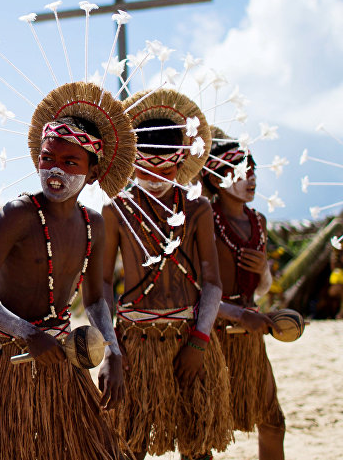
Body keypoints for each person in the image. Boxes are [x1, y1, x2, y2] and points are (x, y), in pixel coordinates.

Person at [0, 81, 133, 460]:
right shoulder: (19, 214)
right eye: (48, 159)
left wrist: (113, 351)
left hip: (63, 360)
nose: (55, 171)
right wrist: (28, 333)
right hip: (8, 357)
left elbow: (95, 299)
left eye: (70, 162)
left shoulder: (94, 223)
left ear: (92, 173)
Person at [103, 88, 233, 460]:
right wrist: (113, 350)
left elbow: (212, 282)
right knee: (129, 444)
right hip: (135, 344)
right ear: (131, 163)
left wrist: (199, 341)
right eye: (145, 168)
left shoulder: (197, 209)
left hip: (190, 339)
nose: (156, 178)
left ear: (181, 163)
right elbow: (99, 289)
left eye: (167, 169)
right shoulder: (116, 212)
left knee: (198, 445)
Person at [203, 132, 284, 459]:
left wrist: (263, 270)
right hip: (210, 336)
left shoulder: (258, 221)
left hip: (250, 338)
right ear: (215, 177)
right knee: (203, 433)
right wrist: (236, 314)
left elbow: (261, 288)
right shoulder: (203, 219)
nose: (249, 178)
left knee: (273, 422)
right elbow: (193, 292)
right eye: (239, 171)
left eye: (252, 170)